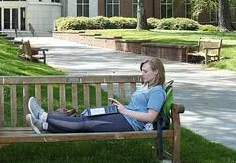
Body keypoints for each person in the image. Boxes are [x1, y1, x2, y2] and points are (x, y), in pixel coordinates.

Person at [26, 57, 167, 134]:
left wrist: (124, 110)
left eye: (145, 71)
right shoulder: (147, 87)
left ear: (156, 72)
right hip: (124, 116)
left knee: (86, 124)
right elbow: (137, 107)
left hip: (132, 124)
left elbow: (150, 117)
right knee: (85, 118)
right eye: (142, 71)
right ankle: (44, 126)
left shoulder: (157, 92)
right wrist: (121, 108)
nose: (142, 74)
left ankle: (43, 116)